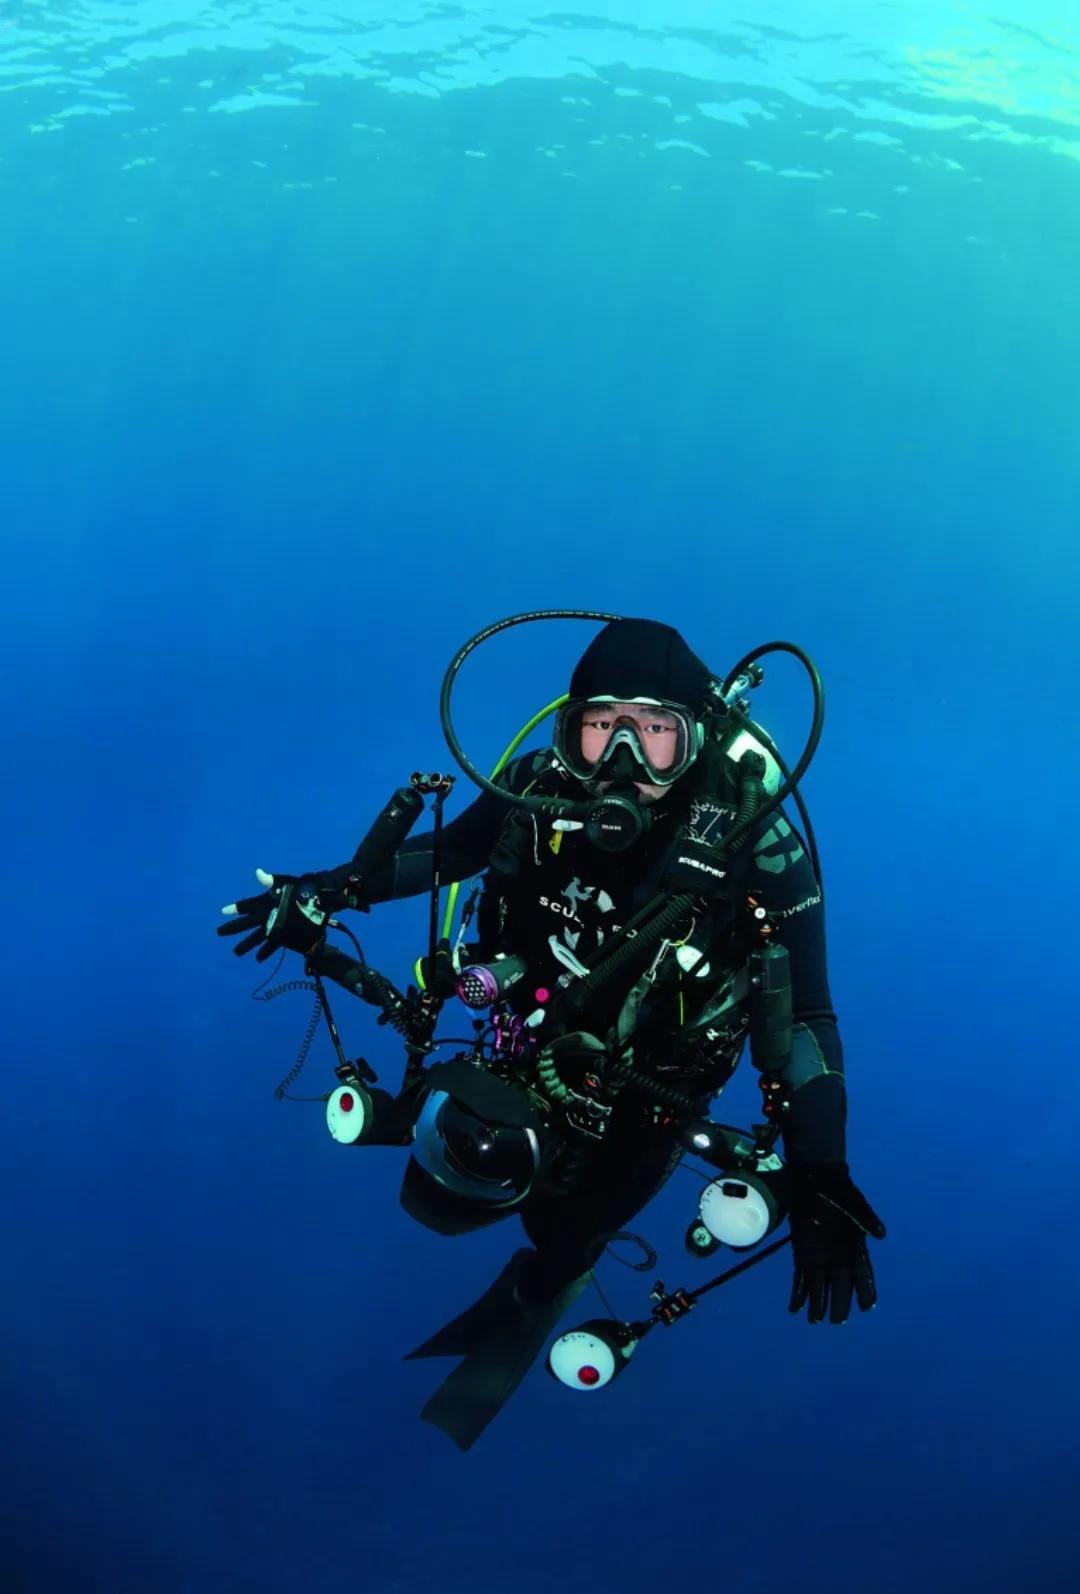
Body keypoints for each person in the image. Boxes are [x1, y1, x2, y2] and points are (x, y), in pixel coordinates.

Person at [219, 617, 885, 1449]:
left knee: (568, 1226)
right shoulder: (539, 787)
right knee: (463, 1148)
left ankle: (551, 1276)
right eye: (602, 726)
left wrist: (821, 1169)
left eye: (654, 734)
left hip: (656, 1080)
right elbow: (443, 855)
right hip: (528, 1029)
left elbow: (809, 1016)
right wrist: (321, 890)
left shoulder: (761, 843)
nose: (623, 763)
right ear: (570, 731)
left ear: (696, 739)